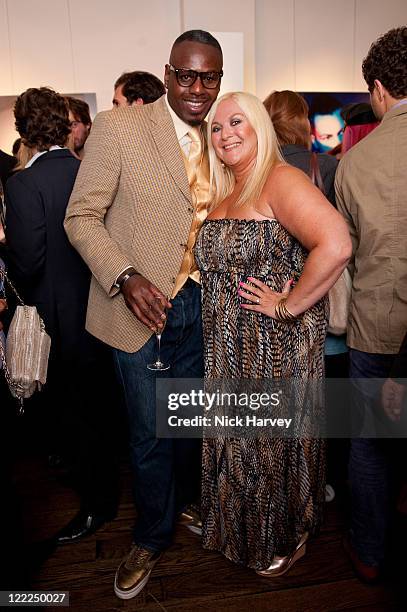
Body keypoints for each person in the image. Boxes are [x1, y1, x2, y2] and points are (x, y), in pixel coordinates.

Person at [64, 30, 223, 599]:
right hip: (139, 311)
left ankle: (183, 505)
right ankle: (151, 536)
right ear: (168, 72)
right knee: (148, 433)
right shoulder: (119, 127)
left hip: (205, 309)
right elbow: (80, 217)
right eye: (186, 75)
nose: (197, 88)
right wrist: (125, 277)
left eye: (209, 77)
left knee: (189, 423)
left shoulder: (226, 135)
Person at [194, 91, 351, 575]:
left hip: (272, 349)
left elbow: (337, 244)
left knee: (270, 445)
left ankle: (285, 535)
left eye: (236, 122)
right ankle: (237, 527)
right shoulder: (227, 191)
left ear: (260, 125)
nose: (225, 135)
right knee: (241, 443)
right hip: (228, 350)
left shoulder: (279, 180)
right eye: (216, 129)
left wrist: (288, 304)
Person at [5, 87, 119, 545]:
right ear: (65, 123)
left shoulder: (23, 184)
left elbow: (29, 261)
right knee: (100, 409)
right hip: (101, 308)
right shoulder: (87, 170)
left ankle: (96, 506)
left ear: (23, 129)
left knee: (75, 415)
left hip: (57, 319)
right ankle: (103, 491)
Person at [335, 26, 407, 583]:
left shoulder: (355, 163)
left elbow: (346, 255)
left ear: (380, 89)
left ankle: (370, 552)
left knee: (372, 445)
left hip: (378, 329)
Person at [264, 89, 348, 496]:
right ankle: (323, 481)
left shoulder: (257, 173)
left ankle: (281, 481)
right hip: (322, 301)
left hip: (269, 303)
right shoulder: (327, 167)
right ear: (302, 123)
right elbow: (345, 241)